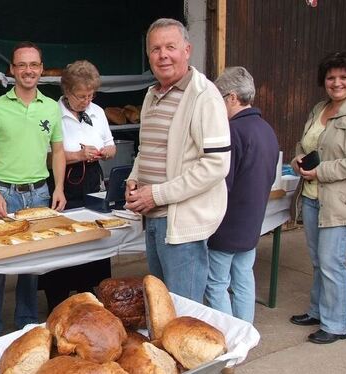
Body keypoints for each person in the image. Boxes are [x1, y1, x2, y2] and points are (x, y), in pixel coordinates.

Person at [124, 18, 231, 303]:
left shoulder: (203, 96)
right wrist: (135, 178)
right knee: (160, 306)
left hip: (182, 225)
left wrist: (156, 194)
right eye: (155, 49)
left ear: (187, 50)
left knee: (183, 311)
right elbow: (146, 149)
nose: (163, 55)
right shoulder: (152, 94)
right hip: (153, 218)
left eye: (170, 47)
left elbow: (216, 165)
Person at [0, 41, 66, 345]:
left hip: (39, 194)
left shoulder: (52, 107)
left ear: (41, 69)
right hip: (5, 193)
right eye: (21, 65)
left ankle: (26, 322)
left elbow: (58, 152)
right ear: (12, 70)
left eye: (34, 65)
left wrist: (60, 187)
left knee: (31, 265)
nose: (28, 71)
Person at [289, 50, 346, 344]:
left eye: (344, 77)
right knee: (318, 261)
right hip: (313, 196)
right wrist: (298, 160)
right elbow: (305, 143)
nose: (337, 83)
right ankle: (317, 310)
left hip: (341, 201)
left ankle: (337, 324)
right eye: (331, 77)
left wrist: (323, 171)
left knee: (332, 262)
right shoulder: (320, 108)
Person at [38, 60, 116, 311]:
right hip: (63, 181)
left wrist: (105, 152)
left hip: (92, 179)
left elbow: (112, 145)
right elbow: (47, 157)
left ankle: (88, 293)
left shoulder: (98, 112)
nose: (86, 101)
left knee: (92, 236)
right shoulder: (52, 114)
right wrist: (79, 156)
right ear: (67, 92)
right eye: (81, 96)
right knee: (62, 238)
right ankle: (57, 297)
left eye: (90, 95)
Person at [205, 66, 279, 323]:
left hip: (227, 223)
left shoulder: (232, 131)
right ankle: (245, 331)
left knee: (216, 283)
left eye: (219, 98)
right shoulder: (267, 129)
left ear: (233, 98)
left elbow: (222, 183)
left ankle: (229, 336)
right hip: (253, 220)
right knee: (244, 277)